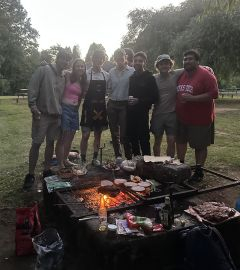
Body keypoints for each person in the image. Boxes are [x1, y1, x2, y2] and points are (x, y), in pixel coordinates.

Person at [23, 50, 70, 191]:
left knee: (50, 143)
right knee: (36, 143)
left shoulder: (64, 76)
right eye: (64, 59)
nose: (66, 62)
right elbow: (32, 88)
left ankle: (47, 170)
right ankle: (30, 174)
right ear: (58, 58)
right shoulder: (43, 70)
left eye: (68, 60)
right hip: (41, 114)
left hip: (56, 116)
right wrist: (33, 106)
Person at [176, 49, 219, 181]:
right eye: (185, 59)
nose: (187, 61)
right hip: (182, 117)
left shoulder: (206, 75)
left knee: (199, 146)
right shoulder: (182, 74)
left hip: (200, 119)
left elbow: (214, 94)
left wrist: (192, 98)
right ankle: (181, 166)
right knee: (181, 142)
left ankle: (199, 170)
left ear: (197, 61)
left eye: (190, 59)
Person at [55, 58, 87, 168]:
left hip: (74, 111)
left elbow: (79, 98)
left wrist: (76, 109)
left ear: (84, 68)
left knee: (71, 137)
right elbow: (58, 71)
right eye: (78, 66)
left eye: (82, 66)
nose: (80, 68)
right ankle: (60, 163)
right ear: (73, 67)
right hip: (65, 109)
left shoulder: (83, 81)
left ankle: (65, 159)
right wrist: (46, 65)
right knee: (63, 137)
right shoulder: (68, 75)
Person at [151, 54, 183, 157]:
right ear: (157, 66)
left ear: (170, 65)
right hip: (158, 115)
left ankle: (169, 164)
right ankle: (157, 163)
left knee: (171, 140)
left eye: (166, 64)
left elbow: (189, 67)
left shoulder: (176, 74)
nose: (164, 66)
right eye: (161, 64)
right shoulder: (153, 78)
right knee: (157, 141)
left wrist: (205, 67)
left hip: (172, 114)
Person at [80, 50, 109, 165]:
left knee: (98, 134)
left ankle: (95, 158)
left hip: (101, 107)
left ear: (103, 60)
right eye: (97, 58)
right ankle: (82, 159)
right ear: (93, 59)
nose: (99, 61)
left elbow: (109, 90)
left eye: (101, 58)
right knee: (86, 134)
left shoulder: (106, 75)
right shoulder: (86, 74)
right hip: (88, 106)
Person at [127, 51, 158, 157]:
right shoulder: (132, 77)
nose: (137, 63)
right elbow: (130, 94)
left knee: (144, 139)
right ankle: (136, 163)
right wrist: (128, 100)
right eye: (135, 61)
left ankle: (147, 163)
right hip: (131, 113)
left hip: (142, 113)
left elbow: (155, 97)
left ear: (144, 62)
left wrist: (139, 100)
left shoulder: (150, 77)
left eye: (140, 61)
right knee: (133, 138)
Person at [107, 48, 135, 160]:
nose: (119, 59)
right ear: (114, 59)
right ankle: (118, 156)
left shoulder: (132, 71)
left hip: (124, 105)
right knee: (114, 134)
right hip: (112, 104)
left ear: (125, 58)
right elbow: (108, 88)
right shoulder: (111, 72)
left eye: (121, 57)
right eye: (117, 58)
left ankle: (128, 157)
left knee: (124, 134)